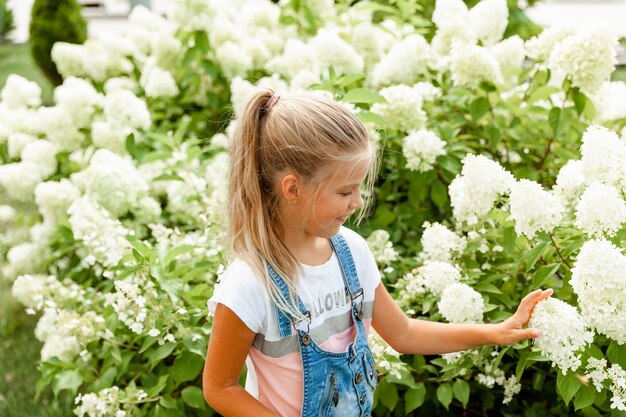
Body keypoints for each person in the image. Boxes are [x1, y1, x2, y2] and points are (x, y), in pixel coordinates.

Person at [202, 89, 553, 417]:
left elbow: (402, 333)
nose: (357, 202)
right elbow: (220, 387)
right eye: (344, 191)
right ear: (292, 188)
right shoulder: (251, 283)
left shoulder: (351, 253)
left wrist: (495, 331)